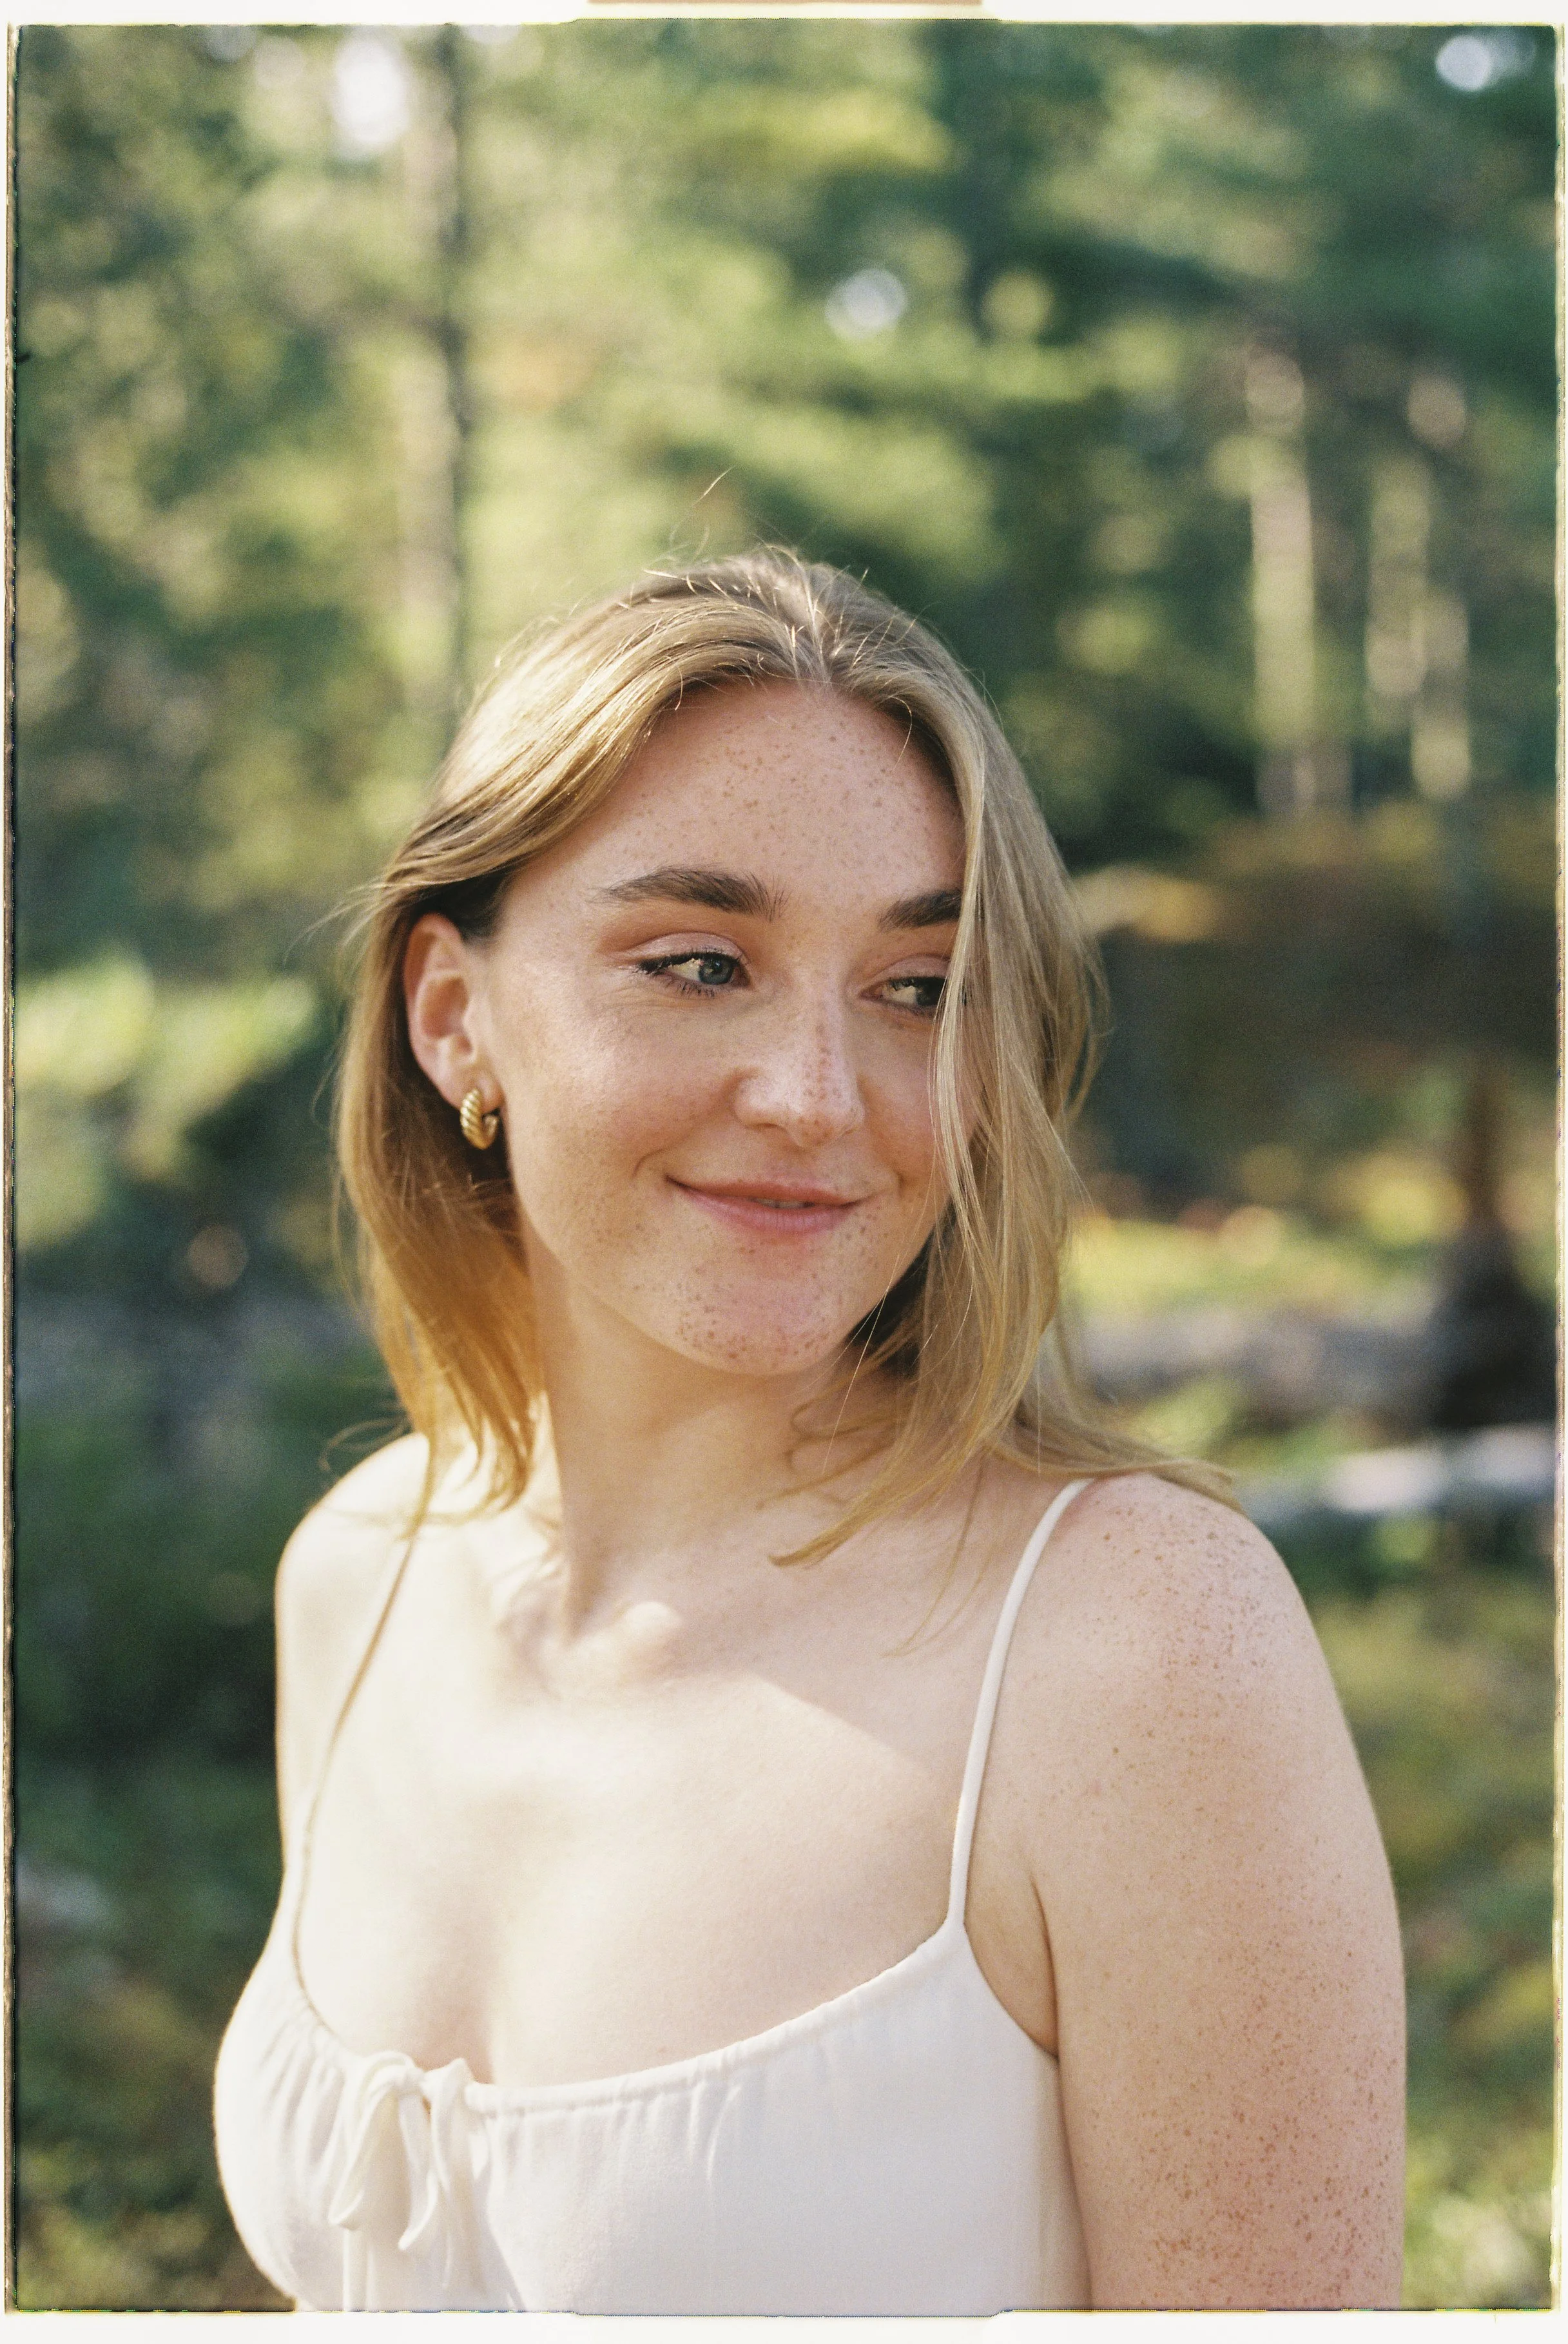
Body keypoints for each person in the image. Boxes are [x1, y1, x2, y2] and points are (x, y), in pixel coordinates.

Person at [213, 550, 1406, 2314]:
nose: (819, 1098)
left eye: (920, 988)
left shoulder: (1135, 1646)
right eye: (701, 964)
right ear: (453, 1011)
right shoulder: (363, 1576)